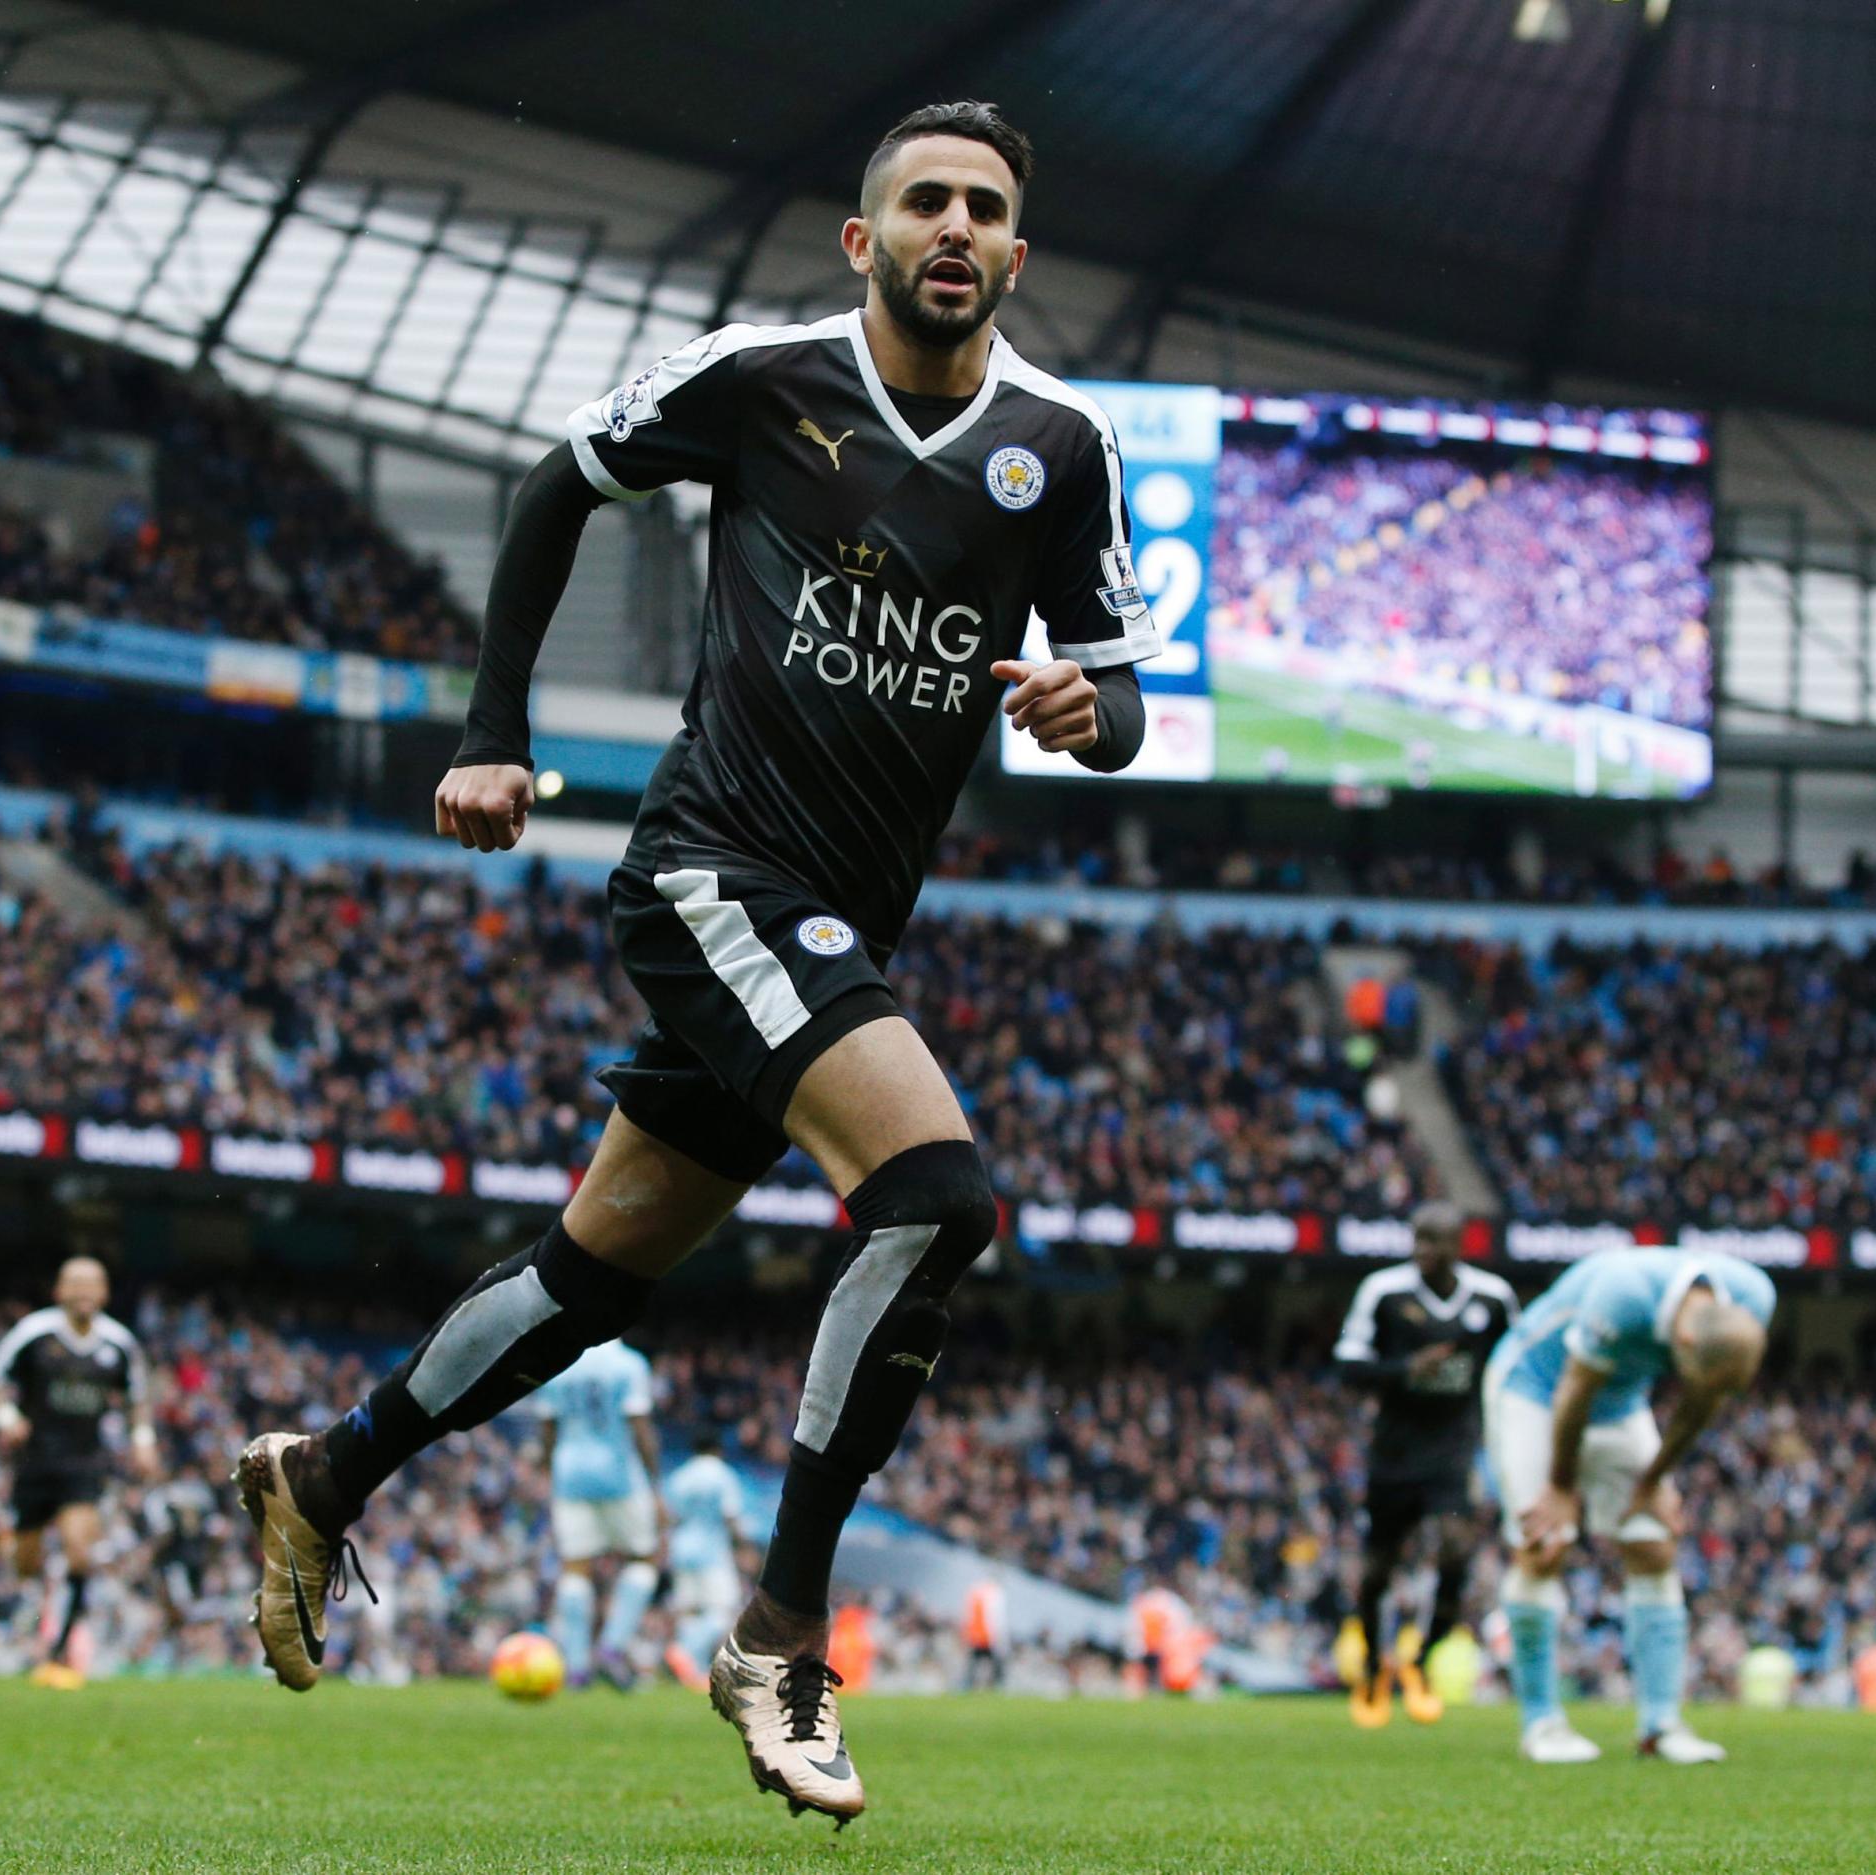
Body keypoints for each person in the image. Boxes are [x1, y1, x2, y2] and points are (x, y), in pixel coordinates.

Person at [231, 96, 1154, 1824]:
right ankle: (783, 1634)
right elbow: (554, 484)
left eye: (985, 211)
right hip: (712, 876)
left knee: (599, 1275)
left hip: (836, 926)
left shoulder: (1066, 447)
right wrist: (491, 726)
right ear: (863, 240)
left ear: (1017, 260)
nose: (954, 228)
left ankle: (324, 1473)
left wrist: (1091, 712)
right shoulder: (764, 377)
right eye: (923, 203)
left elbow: (1122, 709)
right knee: (940, 1197)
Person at [1484, 1249, 1775, 1764]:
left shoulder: (1752, 1299)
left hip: (1620, 1403)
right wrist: (1559, 1487)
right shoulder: (1625, 1292)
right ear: (1682, 1341)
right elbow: (1574, 1391)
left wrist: (1652, 1483)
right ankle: (1542, 1723)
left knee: (1654, 1543)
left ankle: (1660, 1725)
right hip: (1535, 1389)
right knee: (1543, 1545)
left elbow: (1703, 1399)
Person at [1332, 1203, 1518, 1726]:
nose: (1423, 1250)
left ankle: (1421, 1657)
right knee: (1375, 1572)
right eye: (1417, 1239)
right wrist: (1406, 1367)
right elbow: (1348, 1366)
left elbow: (1518, 1362)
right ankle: (1372, 1665)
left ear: (1460, 1244)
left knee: (1458, 1549)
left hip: (1452, 1450)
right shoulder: (1384, 1292)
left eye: (1434, 1240)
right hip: (1393, 1453)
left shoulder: (1492, 1297)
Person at [0, 1256, 153, 1690]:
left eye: (92, 1284)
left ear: (105, 1293)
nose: (83, 1292)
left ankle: (59, 1654)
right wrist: (5, 1416)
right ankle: (14, 1555)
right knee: (24, 1562)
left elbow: (139, 1397)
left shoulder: (119, 1344)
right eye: (74, 1283)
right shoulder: (35, 1333)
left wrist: (143, 1439)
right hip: (36, 1463)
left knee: (79, 1550)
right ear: (58, 1291)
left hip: (85, 1463)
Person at [532, 1338, 662, 1689]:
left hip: (570, 1475)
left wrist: (547, 1471)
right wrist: (654, 1482)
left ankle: (576, 1667)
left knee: (575, 1566)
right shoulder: (629, 1363)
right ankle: (612, 1646)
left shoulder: (559, 1358)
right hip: (620, 1475)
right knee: (645, 1559)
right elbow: (640, 1427)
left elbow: (548, 1428)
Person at [660, 1427, 749, 1691]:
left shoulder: (680, 1476)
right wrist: (743, 1546)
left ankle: (692, 1669)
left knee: (690, 1609)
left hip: (682, 1547)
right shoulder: (723, 1475)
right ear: (718, 1450)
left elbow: (668, 1516)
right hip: (712, 1551)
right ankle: (683, 1652)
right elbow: (730, 1516)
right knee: (722, 1609)